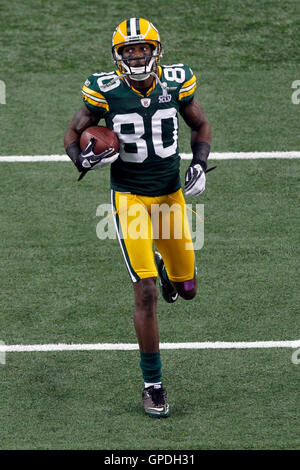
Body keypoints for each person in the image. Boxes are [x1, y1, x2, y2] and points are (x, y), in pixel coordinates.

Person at [64, 17, 212, 418]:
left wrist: (198, 164)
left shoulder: (177, 81)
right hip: (130, 198)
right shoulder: (105, 90)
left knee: (188, 289)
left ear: (155, 50)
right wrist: (84, 157)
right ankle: (153, 385)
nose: (137, 55)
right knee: (145, 293)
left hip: (169, 198)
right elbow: (73, 131)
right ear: (118, 56)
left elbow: (199, 124)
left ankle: (168, 269)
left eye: (143, 48)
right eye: (129, 50)